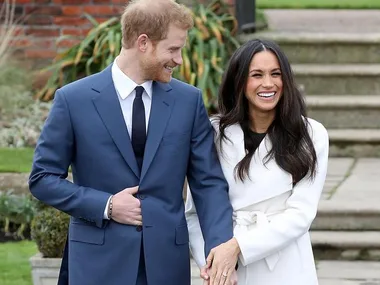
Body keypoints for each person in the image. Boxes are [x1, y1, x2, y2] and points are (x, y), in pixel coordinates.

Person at [28, 1, 236, 285]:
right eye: (173, 49)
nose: (179, 60)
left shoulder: (188, 101)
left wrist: (220, 249)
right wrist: (107, 205)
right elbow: (42, 178)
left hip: (166, 266)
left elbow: (208, 183)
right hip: (97, 265)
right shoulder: (73, 100)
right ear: (143, 43)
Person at [185, 38, 329, 285]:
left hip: (287, 266)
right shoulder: (214, 133)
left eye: (276, 74)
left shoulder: (310, 134)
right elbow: (194, 213)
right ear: (239, 81)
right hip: (230, 272)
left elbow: (301, 214)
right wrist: (214, 264)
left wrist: (238, 247)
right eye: (256, 75)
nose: (268, 83)